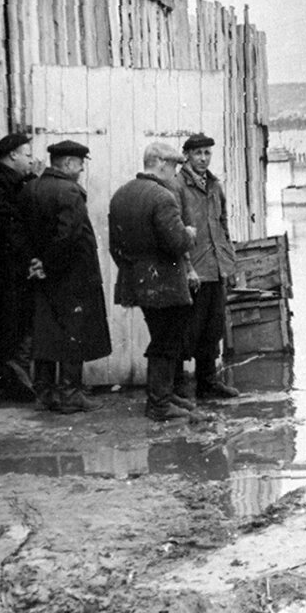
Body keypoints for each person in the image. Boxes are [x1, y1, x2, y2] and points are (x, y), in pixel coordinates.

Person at [109, 141, 209, 422]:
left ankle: (163, 395)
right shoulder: (162, 197)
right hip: (165, 284)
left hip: (136, 283)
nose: (175, 171)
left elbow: (114, 248)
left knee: (161, 336)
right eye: (174, 165)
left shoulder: (121, 195)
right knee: (167, 339)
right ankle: (159, 404)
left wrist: (133, 271)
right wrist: (189, 232)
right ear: (161, 164)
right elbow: (177, 242)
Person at [17, 139, 112, 412]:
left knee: (46, 333)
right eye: (80, 164)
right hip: (71, 277)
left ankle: (45, 393)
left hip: (42, 277)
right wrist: (50, 264)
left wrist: (36, 262)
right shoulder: (70, 191)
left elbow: (22, 233)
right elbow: (67, 236)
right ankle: (70, 393)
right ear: (69, 163)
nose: (81, 170)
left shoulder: (30, 188)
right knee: (74, 334)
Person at [176, 133, 241, 399]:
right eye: (198, 153)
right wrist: (187, 267)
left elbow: (223, 224)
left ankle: (207, 383)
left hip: (216, 268)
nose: (203, 158)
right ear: (187, 155)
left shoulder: (214, 185)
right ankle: (177, 388)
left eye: (207, 153)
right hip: (194, 271)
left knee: (213, 329)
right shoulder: (178, 186)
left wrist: (229, 261)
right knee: (187, 330)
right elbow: (175, 229)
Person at [0, 133, 36, 401]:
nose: (30, 159)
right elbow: (10, 226)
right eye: (26, 154)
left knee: (14, 323)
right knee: (7, 325)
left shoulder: (10, 180)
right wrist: (30, 257)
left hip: (11, 267)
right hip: (5, 269)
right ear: (12, 155)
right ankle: (5, 387)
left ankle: (10, 384)